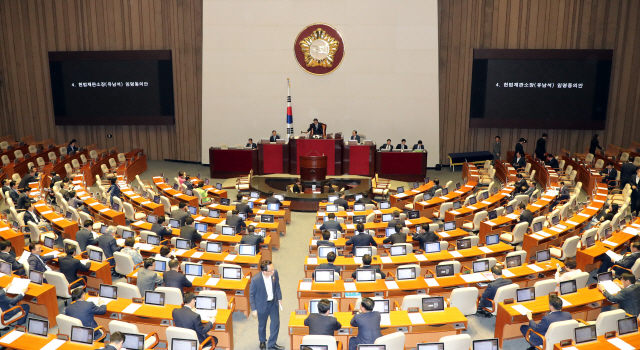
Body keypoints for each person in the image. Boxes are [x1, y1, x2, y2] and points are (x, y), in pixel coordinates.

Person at [249, 260, 284, 350]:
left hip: (273, 303)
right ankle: (262, 341)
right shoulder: (255, 280)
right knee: (262, 325)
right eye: (271, 270)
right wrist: (254, 309)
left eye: (273, 269)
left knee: (275, 323)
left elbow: (277, 285)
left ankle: (272, 343)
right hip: (262, 305)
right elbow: (251, 295)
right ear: (264, 271)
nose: (273, 271)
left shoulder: (275, 273)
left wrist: (279, 298)